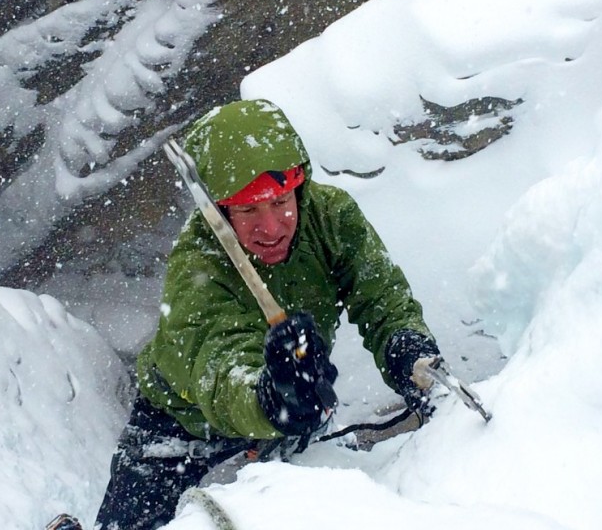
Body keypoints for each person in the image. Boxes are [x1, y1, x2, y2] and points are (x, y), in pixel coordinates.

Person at [92, 98, 441, 530]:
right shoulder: (197, 265)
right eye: (248, 209)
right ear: (219, 210)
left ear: (300, 186)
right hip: (183, 420)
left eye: (280, 201)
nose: (272, 227)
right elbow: (220, 372)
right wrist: (273, 400)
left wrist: (407, 352)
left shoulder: (331, 217)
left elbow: (382, 298)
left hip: (296, 394)